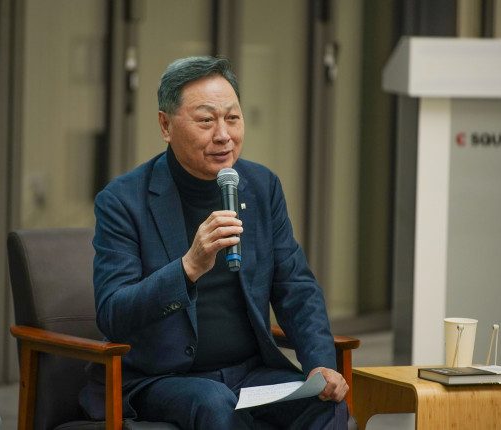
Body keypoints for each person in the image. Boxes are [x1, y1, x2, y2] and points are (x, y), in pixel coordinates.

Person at [80, 56, 349, 429]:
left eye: (232, 118)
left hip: (250, 372)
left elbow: (296, 288)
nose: (223, 135)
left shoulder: (261, 187)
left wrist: (320, 363)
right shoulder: (123, 200)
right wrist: (188, 267)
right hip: (162, 379)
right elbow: (114, 312)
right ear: (165, 125)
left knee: (325, 406)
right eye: (206, 121)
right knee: (215, 405)